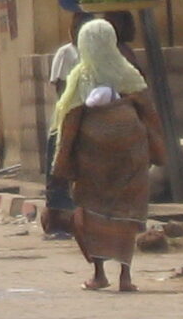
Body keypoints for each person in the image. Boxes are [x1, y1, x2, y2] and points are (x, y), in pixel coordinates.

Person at [52, 17, 167, 291]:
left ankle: (99, 273)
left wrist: (62, 163)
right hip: (132, 155)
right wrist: (156, 149)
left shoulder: (82, 75)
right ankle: (125, 276)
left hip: (94, 159)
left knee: (92, 212)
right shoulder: (128, 73)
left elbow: (69, 119)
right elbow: (149, 114)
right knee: (127, 212)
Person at [41, 18, 84, 239]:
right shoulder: (66, 54)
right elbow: (59, 87)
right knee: (58, 172)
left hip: (88, 119)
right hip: (65, 120)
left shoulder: (95, 54)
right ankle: (55, 224)